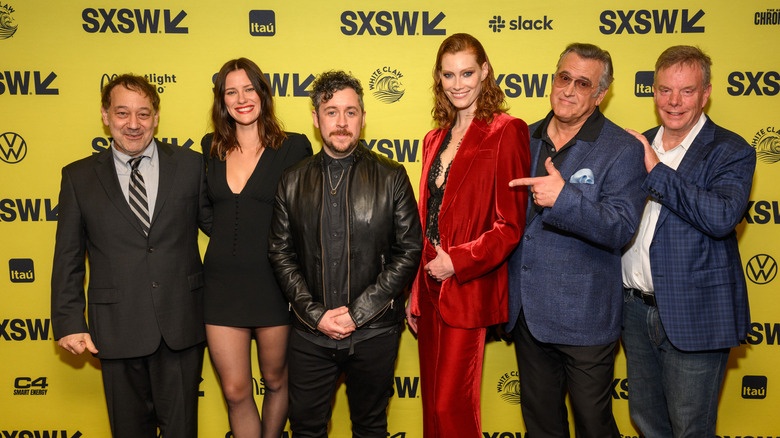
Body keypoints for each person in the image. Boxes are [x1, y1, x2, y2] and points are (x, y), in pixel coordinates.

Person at [51, 74, 212, 438]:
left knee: (182, 431)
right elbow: (68, 257)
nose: (133, 124)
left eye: (143, 113)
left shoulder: (190, 166)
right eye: (122, 113)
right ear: (106, 116)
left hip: (182, 323)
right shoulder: (78, 177)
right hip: (116, 328)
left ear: (156, 117)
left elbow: (219, 231)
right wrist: (68, 321)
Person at [267, 70, 422, 438]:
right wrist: (316, 315)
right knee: (306, 428)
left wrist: (358, 313)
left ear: (364, 118)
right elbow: (280, 253)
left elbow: (409, 249)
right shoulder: (292, 179)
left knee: (370, 427)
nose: (341, 122)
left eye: (350, 112)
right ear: (316, 118)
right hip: (309, 333)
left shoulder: (391, 175)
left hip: (375, 332)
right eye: (331, 111)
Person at [505, 43, 646, 438]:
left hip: (585, 318)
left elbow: (620, 226)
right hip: (528, 314)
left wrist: (563, 198)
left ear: (600, 94)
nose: (568, 90)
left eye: (582, 83)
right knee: (541, 426)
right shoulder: (522, 138)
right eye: (564, 78)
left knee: (593, 425)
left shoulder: (622, 149)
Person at [621, 45, 755, 438]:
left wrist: (656, 170)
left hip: (695, 313)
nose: (674, 102)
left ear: (706, 92)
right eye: (664, 90)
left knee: (690, 429)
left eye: (687, 91)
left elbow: (720, 218)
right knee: (647, 423)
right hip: (633, 310)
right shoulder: (636, 144)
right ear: (653, 91)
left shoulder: (730, 150)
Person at [404, 33, 530, 438]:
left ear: (485, 72)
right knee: (433, 411)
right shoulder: (433, 139)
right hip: (427, 288)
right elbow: (426, 218)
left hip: (467, 286)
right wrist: (413, 288)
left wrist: (456, 261)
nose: (458, 84)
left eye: (467, 73)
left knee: (453, 407)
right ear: (438, 79)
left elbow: (511, 225)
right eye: (448, 75)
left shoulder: (505, 130)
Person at [201, 58, 312, 438]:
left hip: (274, 284)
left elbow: (306, 216)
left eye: (249, 89)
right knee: (234, 390)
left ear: (263, 93)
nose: (241, 98)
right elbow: (207, 209)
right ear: (222, 101)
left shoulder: (294, 147)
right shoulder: (211, 147)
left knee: (276, 379)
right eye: (231, 91)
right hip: (220, 287)